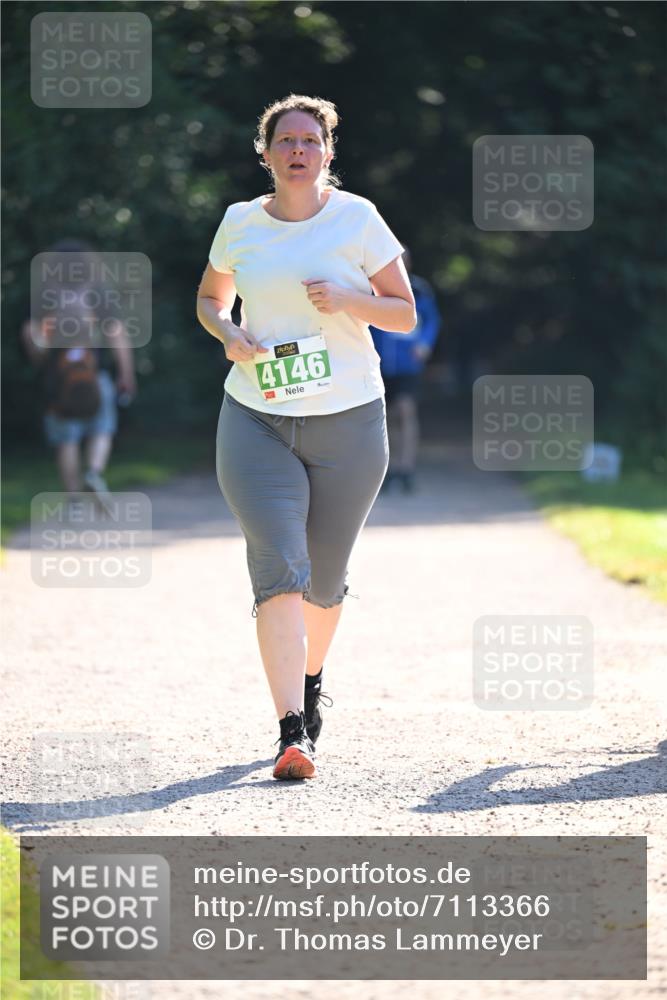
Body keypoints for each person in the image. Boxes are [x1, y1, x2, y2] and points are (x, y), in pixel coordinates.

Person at [196, 94, 415, 781]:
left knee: (323, 582)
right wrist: (229, 333)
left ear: (327, 153)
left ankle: (311, 681)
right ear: (263, 154)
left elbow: (404, 315)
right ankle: (292, 731)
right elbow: (209, 298)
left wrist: (349, 301)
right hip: (255, 416)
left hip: (349, 418)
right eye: (284, 140)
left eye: (310, 140)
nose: (297, 150)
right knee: (278, 570)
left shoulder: (358, 220)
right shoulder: (238, 223)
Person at [21, 239, 137, 505]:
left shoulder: (44, 294)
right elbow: (116, 333)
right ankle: (94, 473)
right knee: (102, 428)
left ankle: (73, 499)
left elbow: (31, 334)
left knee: (67, 438)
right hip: (94, 373)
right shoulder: (97, 292)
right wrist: (126, 373)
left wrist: (40, 358)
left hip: (59, 377)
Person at [370, 248, 441, 494]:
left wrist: (424, 345)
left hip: (407, 365)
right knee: (386, 417)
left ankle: (407, 466)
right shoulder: (372, 288)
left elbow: (431, 320)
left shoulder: (419, 289)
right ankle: (389, 469)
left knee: (406, 411)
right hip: (380, 364)